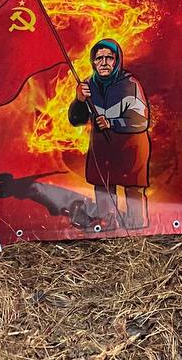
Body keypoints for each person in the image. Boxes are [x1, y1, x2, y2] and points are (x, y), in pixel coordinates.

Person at [67, 39, 151, 230]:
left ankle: (137, 225)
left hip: (131, 146)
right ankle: (107, 223)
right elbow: (76, 120)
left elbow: (141, 120)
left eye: (109, 58)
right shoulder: (88, 85)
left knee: (133, 188)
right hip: (102, 147)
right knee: (103, 184)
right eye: (99, 58)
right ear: (93, 62)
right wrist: (79, 100)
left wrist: (112, 122)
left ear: (116, 60)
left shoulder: (131, 85)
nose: (104, 62)